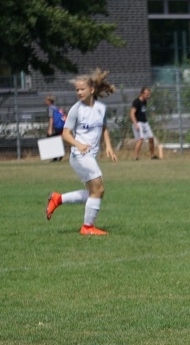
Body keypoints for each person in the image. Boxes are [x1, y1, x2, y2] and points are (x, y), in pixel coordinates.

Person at [45, 69, 118, 236]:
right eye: (77, 89)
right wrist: (78, 144)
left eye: (82, 89)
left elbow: (104, 128)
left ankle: (58, 198)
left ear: (91, 90)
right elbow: (65, 133)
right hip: (80, 156)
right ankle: (87, 227)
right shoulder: (76, 110)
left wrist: (108, 146)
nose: (79, 92)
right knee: (99, 189)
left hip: (90, 156)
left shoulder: (101, 108)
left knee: (91, 193)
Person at [129, 87, 158, 160]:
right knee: (140, 139)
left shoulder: (145, 101)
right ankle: (135, 157)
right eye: (147, 95)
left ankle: (152, 155)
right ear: (142, 94)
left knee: (151, 137)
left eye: (149, 95)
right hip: (138, 123)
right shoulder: (136, 102)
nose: (148, 96)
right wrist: (135, 124)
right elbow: (132, 114)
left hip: (145, 123)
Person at [46, 96, 66, 162]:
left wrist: (50, 129)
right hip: (60, 127)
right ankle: (58, 155)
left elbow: (51, 118)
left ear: (49, 101)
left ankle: (56, 156)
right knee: (57, 140)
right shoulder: (56, 107)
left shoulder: (50, 108)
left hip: (55, 127)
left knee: (52, 141)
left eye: (46, 100)